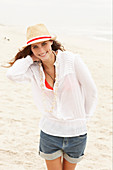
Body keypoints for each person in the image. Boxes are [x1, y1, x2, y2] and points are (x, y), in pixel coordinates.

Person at [6, 24, 97, 170]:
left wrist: (85, 117)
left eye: (44, 44)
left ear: (51, 43)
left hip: (77, 134)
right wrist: (30, 59)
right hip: (50, 133)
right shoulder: (34, 69)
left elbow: (91, 90)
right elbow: (11, 75)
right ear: (31, 50)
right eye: (35, 47)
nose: (41, 50)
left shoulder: (71, 60)